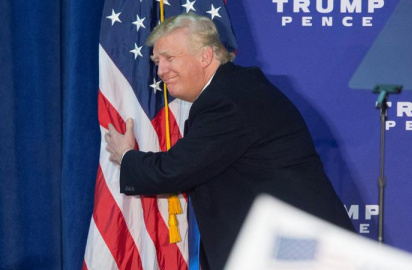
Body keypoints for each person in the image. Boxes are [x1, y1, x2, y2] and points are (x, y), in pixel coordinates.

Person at [105, 12, 354, 270]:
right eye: (157, 61)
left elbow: (175, 169)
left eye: (169, 58)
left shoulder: (228, 100)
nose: (161, 71)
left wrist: (126, 156)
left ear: (205, 56)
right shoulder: (234, 90)